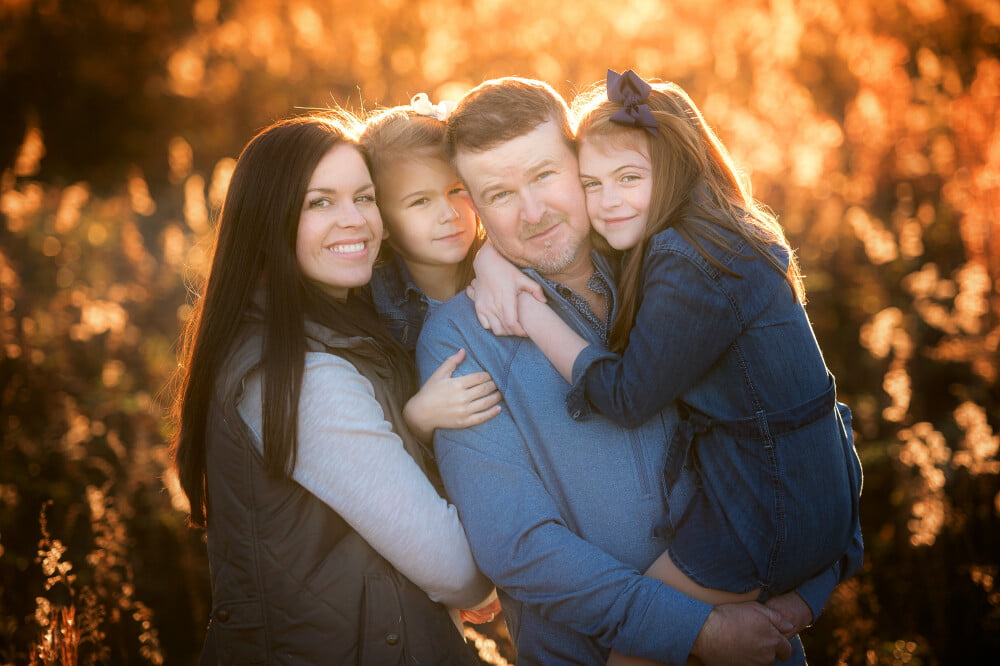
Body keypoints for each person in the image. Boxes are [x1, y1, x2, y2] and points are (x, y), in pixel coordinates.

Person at [416, 76, 858, 665]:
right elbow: (517, 546)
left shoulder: (671, 263)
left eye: (545, 175)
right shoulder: (462, 337)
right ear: (473, 206)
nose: (533, 212)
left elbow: (805, 415)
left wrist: (813, 586)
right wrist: (695, 630)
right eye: (499, 194)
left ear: (582, 160)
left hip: (760, 639)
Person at [169, 113, 496, 664]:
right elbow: (456, 571)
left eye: (364, 198)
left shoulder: (346, 324)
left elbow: (421, 187)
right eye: (319, 203)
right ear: (268, 219)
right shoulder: (302, 377)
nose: (355, 221)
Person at [360, 94, 504, 443]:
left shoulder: (504, 263)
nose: (450, 214)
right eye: (420, 201)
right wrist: (417, 418)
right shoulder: (371, 305)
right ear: (382, 221)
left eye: (456, 190)